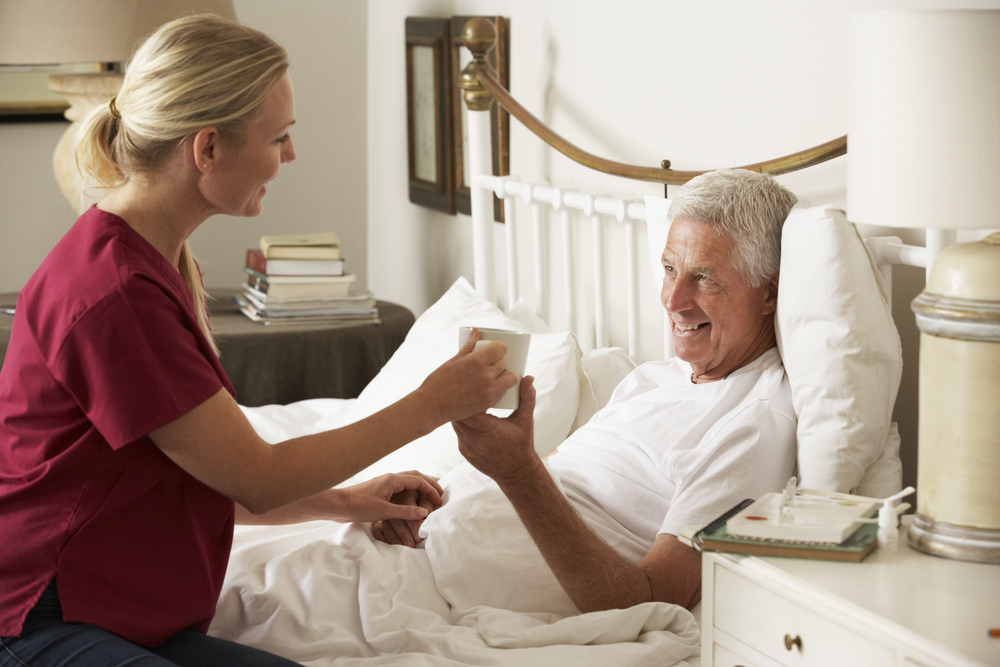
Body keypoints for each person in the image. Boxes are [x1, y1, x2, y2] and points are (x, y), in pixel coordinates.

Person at [0, 15, 515, 667]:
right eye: (279, 137)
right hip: (41, 616)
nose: (290, 155)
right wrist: (431, 402)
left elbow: (207, 470)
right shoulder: (118, 292)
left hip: (110, 609)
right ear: (207, 148)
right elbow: (258, 477)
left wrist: (348, 501)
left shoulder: (148, 257)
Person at [376, 168, 800, 614]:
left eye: (704, 278)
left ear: (768, 293)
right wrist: (435, 498)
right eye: (670, 269)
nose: (673, 300)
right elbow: (560, 482)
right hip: (423, 543)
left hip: (447, 589)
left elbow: (650, 602)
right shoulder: (652, 378)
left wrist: (518, 472)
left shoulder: (753, 424)